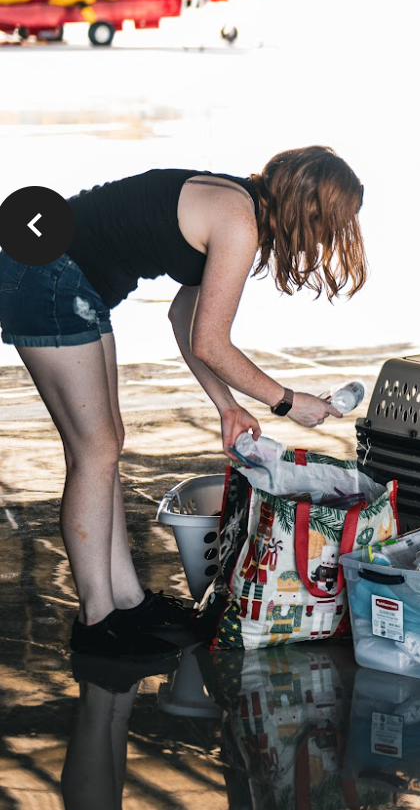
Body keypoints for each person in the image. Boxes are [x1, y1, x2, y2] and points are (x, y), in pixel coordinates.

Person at [0, 148, 368, 663]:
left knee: (105, 447)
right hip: (47, 277)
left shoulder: (238, 202)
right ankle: (97, 621)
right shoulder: (238, 223)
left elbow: (184, 320)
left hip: (64, 277)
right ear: (309, 208)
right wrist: (286, 402)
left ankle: (126, 603)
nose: (326, 238)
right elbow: (211, 343)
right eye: (329, 224)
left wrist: (225, 405)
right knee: (94, 452)